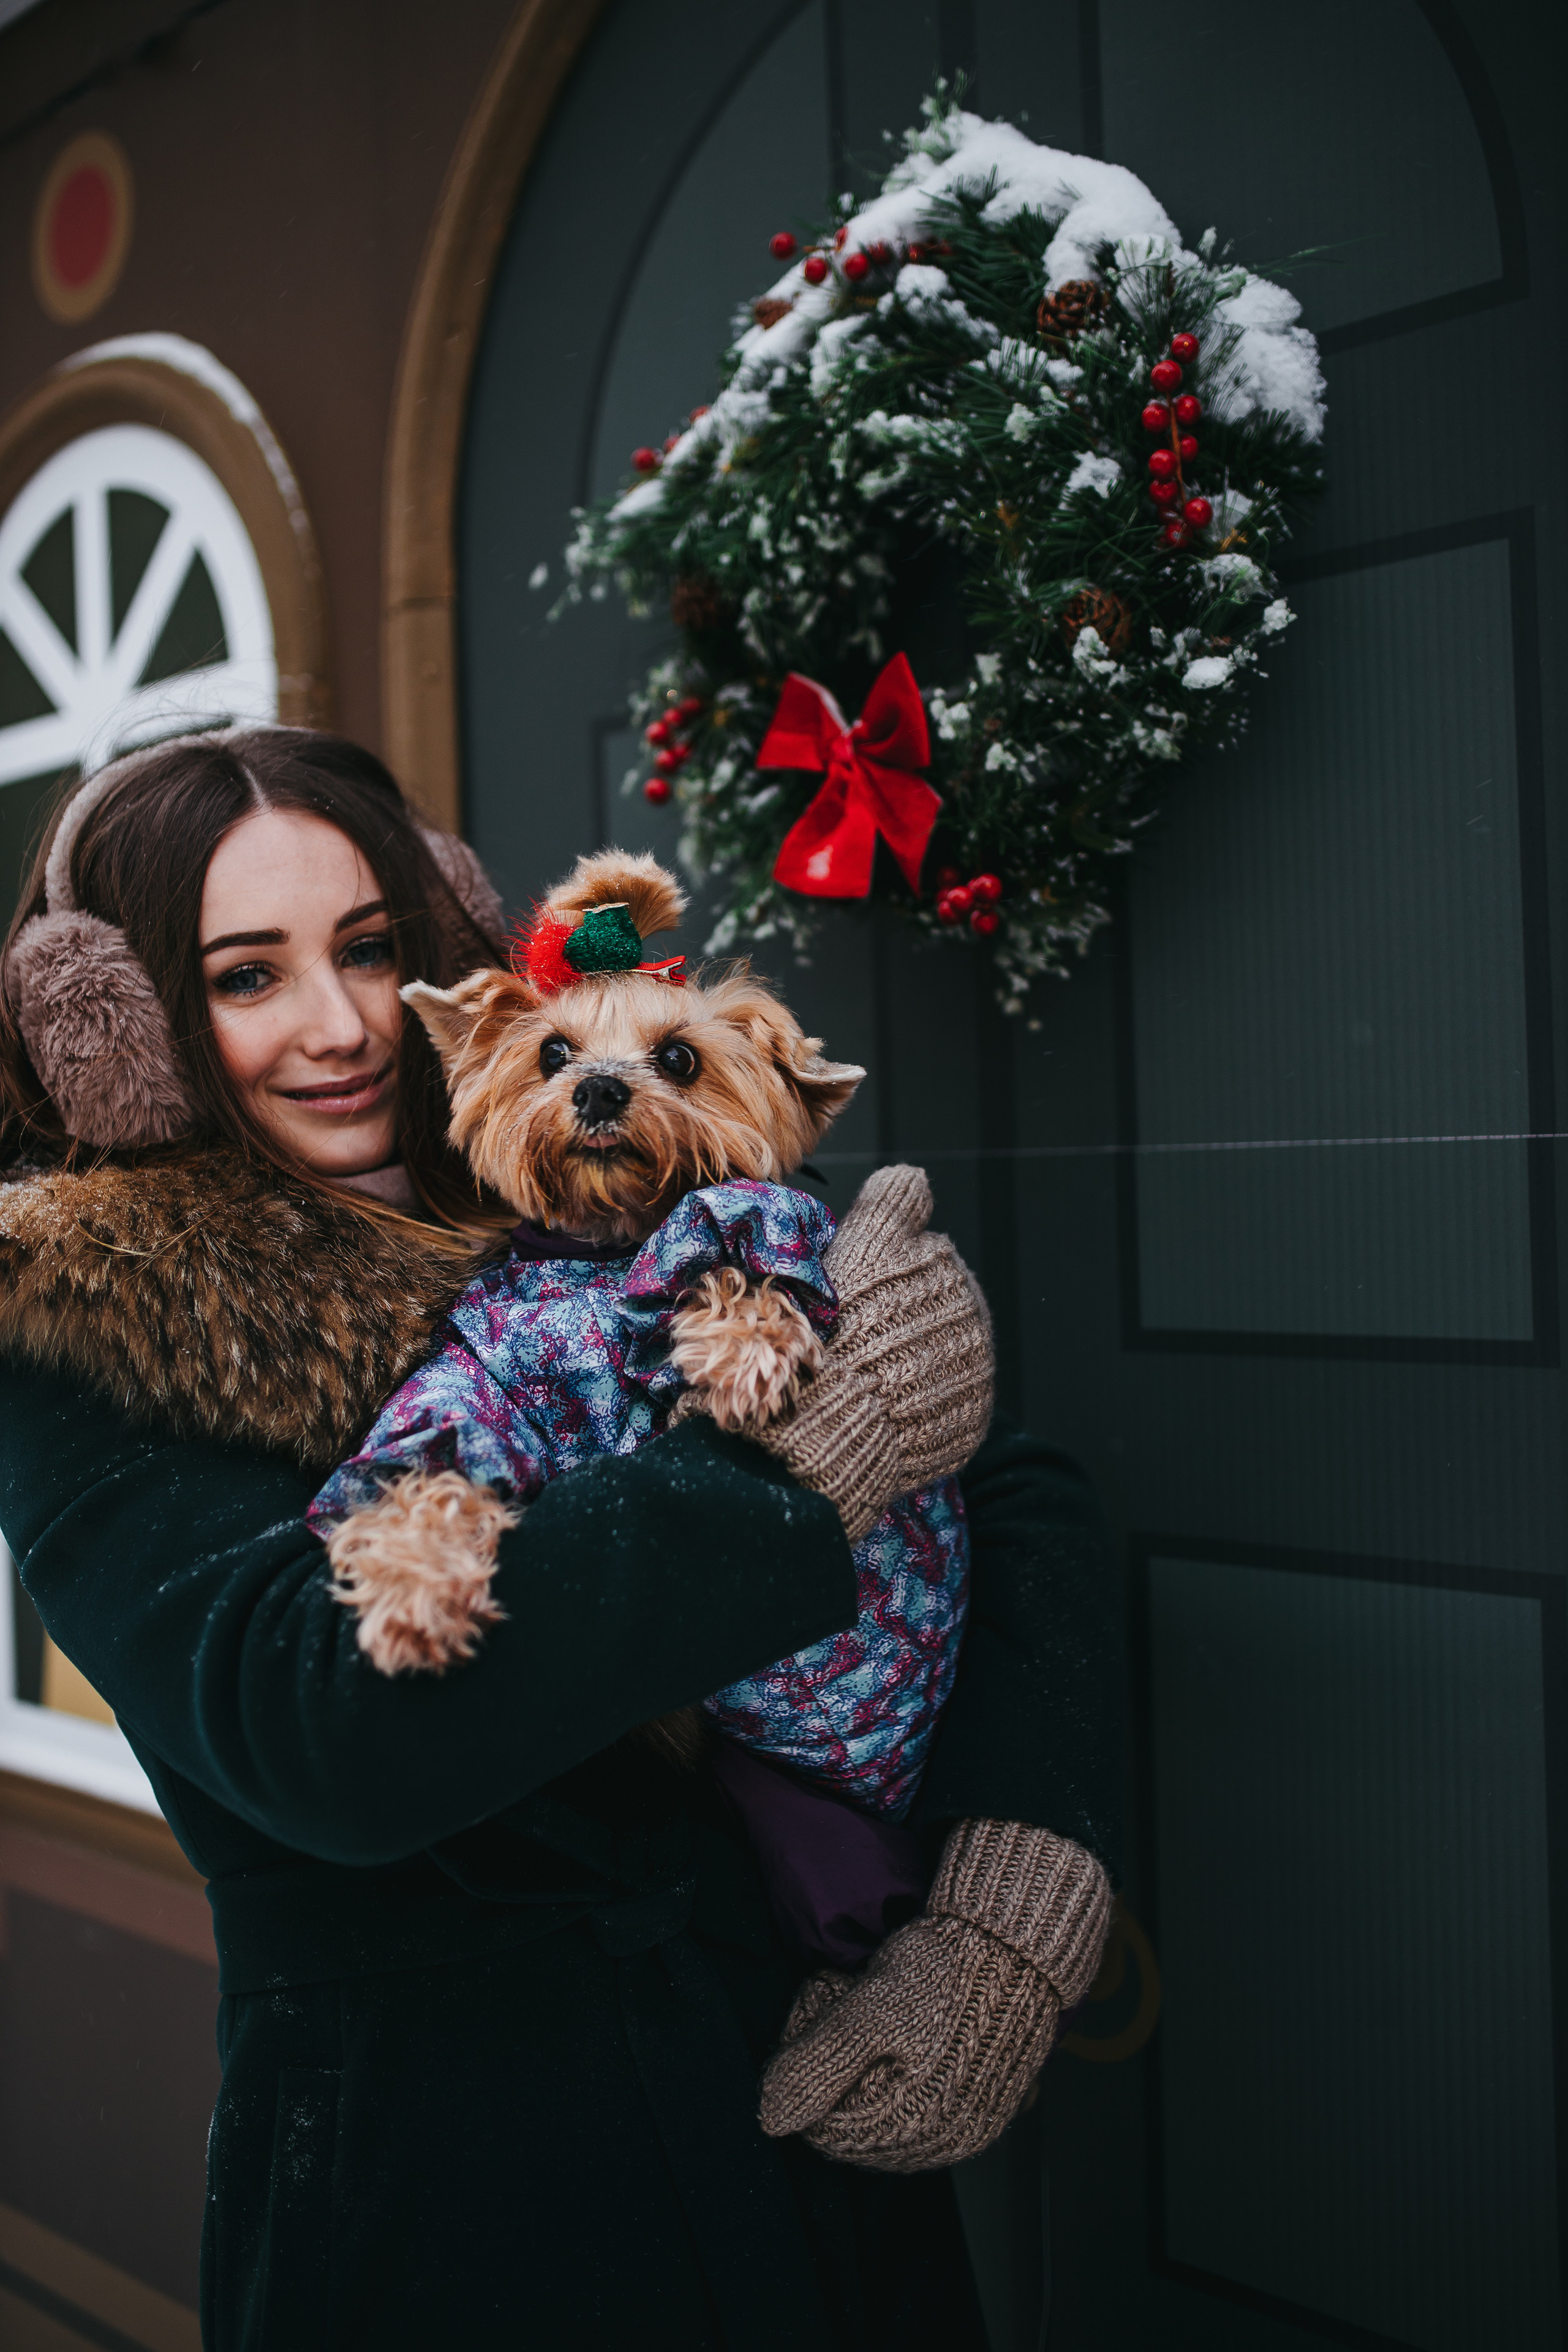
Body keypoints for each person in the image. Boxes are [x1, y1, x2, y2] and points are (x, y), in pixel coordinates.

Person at [0, 727, 1122, 2351]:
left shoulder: (595, 1142)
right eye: (247, 977)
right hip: (464, 2186)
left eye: (373, 949)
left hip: (793, 2084)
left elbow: (1006, 1496)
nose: (338, 1028)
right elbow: (333, 1730)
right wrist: (799, 1483)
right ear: (125, 1032)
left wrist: (1011, 1901)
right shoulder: (81, 1324)